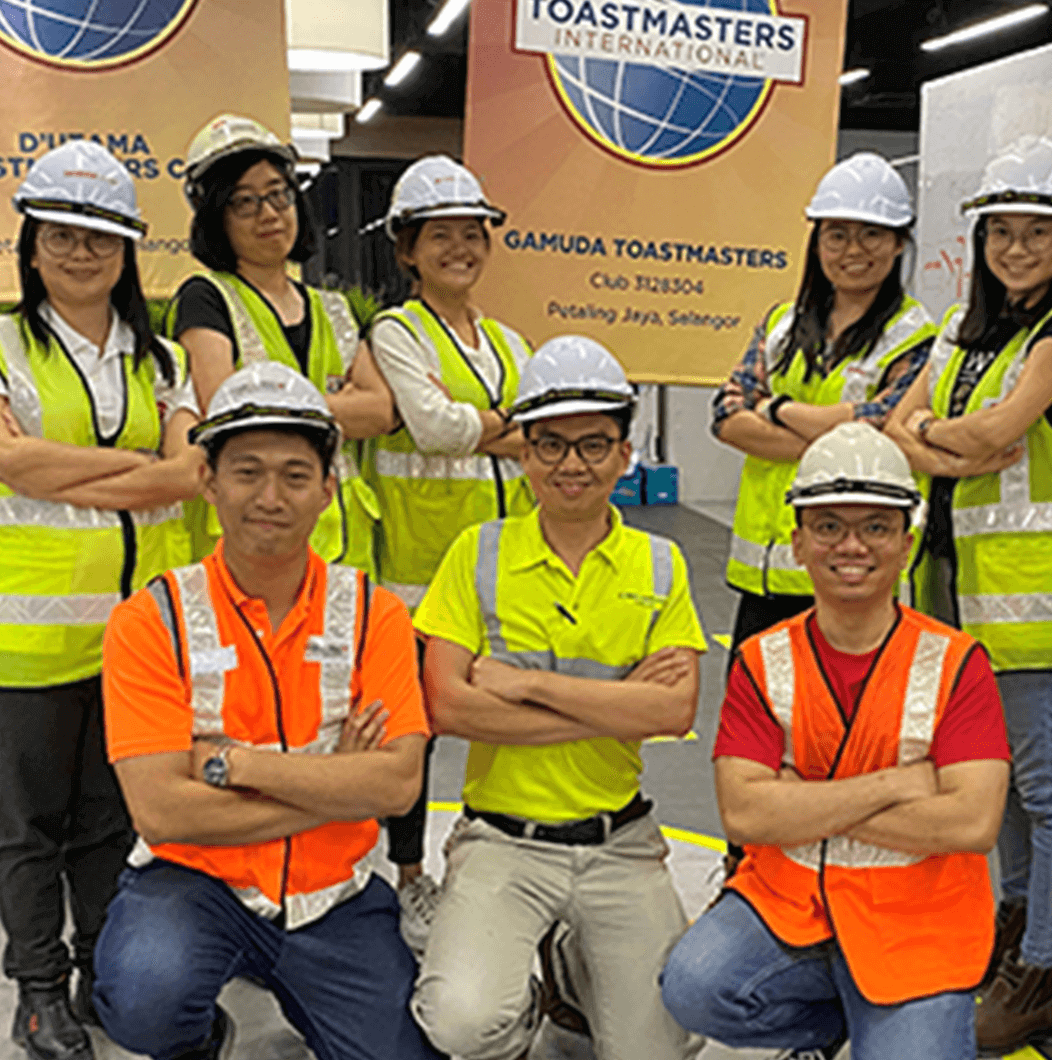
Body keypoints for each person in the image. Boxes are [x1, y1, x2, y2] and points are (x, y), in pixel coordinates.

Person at [0, 140, 202, 1060]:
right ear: (31, 243)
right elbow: (8, 461)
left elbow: (188, 479)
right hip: (24, 645)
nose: (81, 252)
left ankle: (101, 972)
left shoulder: (159, 358)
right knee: (28, 829)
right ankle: (38, 991)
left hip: (135, 645)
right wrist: (142, 468)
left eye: (101, 237)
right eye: (61, 234)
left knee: (109, 824)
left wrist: (120, 473)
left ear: (128, 250)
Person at [92, 362, 439, 1060]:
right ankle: (197, 1036)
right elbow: (162, 813)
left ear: (327, 489)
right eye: (247, 472)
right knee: (144, 996)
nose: (270, 496)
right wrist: (336, 789)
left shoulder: (375, 613)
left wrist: (232, 764)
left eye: (295, 474)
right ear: (208, 482)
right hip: (195, 882)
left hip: (333, 894)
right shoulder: (152, 619)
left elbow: (397, 786)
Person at [660, 422, 1010, 1060]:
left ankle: (885, 1026)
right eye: (828, 526)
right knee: (694, 986)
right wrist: (897, 785)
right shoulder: (763, 660)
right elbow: (744, 812)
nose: (852, 545)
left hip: (916, 925)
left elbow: (972, 822)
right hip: (795, 908)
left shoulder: (957, 663)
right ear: (797, 541)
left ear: (906, 542)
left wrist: (802, 804)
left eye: (875, 526)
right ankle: (831, 1030)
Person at [411, 336, 708, 1060]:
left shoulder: (661, 566)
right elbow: (447, 706)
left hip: (621, 847)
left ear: (623, 452)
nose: (571, 464)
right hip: (502, 842)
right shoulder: (477, 553)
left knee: (665, 1046)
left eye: (592, 444)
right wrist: (612, 704)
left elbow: (673, 712)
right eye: (550, 445)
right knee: (461, 1021)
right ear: (523, 452)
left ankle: (571, 969)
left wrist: (528, 686)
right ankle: (520, 1000)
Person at [883, 135, 1052, 1054]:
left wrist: (947, 435)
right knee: (997, 785)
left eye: (1037, 231)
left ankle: (1043, 973)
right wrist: (951, 436)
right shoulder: (965, 330)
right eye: (1001, 231)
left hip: (1036, 602)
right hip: (953, 592)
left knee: (1051, 790)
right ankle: (1010, 931)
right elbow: (905, 428)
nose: (1017, 248)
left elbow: (1002, 431)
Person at [367, 154, 535, 933]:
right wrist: (504, 434)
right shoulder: (397, 332)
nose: (460, 248)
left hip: (500, 572)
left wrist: (490, 435)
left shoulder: (505, 340)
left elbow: (538, 429)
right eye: (441, 236)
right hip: (415, 570)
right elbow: (431, 427)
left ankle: (490, 853)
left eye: (473, 234)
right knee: (417, 732)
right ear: (407, 249)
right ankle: (406, 874)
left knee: (498, 718)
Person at [714, 152, 938, 651]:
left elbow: (883, 429)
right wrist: (840, 430)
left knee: (853, 725)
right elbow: (726, 417)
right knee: (761, 721)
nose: (852, 249)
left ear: (899, 241)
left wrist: (775, 409)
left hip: (858, 575)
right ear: (817, 241)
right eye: (836, 234)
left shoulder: (917, 336)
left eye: (872, 233)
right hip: (767, 573)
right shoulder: (781, 325)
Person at [171, 113, 393, 572]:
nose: (269, 214)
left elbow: (381, 410)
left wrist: (272, 405)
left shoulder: (333, 307)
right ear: (216, 216)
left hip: (345, 548)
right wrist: (334, 402)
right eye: (245, 203)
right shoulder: (206, 298)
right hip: (254, 546)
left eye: (278, 195)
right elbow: (225, 409)